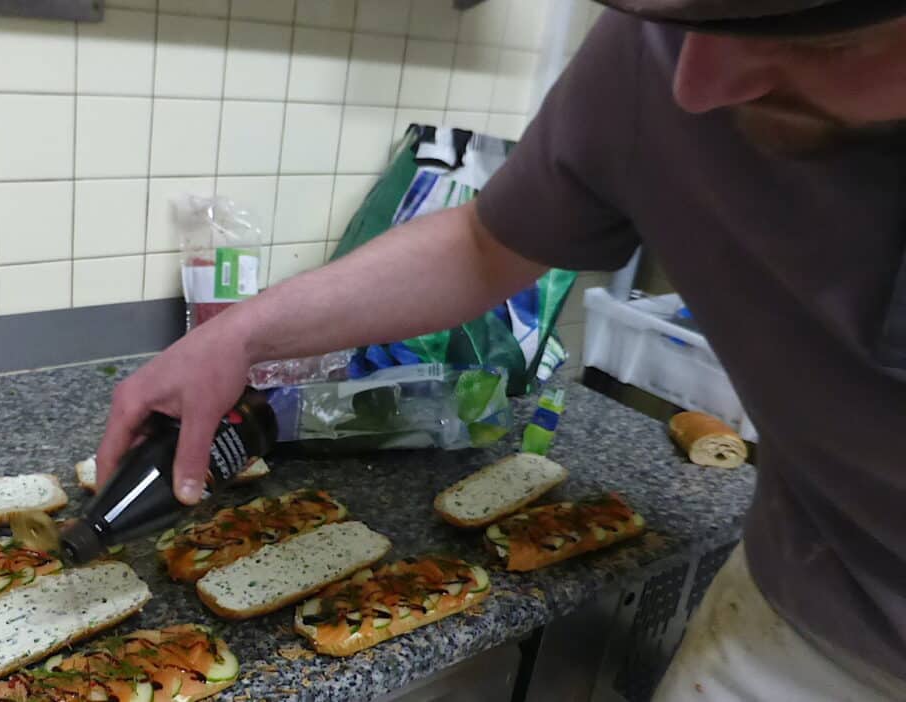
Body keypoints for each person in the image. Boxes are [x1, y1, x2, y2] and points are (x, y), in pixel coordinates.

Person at [96, 0, 906, 699]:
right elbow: (488, 245)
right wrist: (240, 333)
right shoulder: (658, 46)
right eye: (679, 19)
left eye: (811, 38)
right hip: (801, 609)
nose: (694, 83)